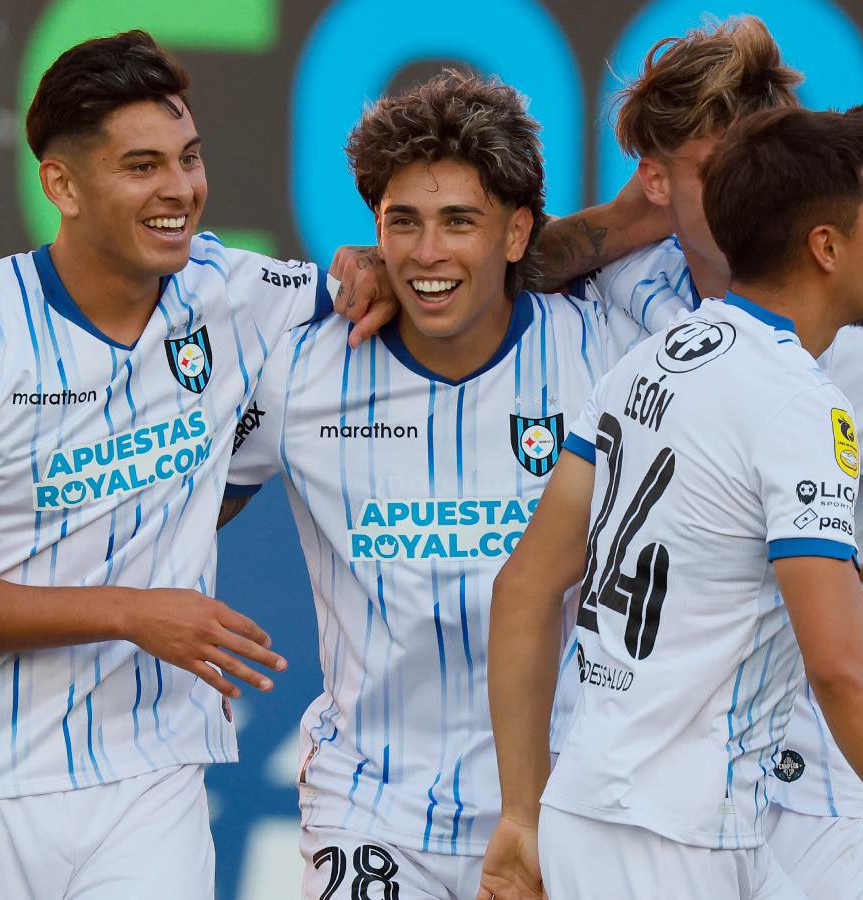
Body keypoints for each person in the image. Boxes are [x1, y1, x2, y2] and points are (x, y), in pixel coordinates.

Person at [0, 30, 339, 898]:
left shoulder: (238, 294)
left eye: (190, 159)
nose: (180, 191)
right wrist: (132, 611)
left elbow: (433, 275)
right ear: (62, 184)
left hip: (150, 772)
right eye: (142, 166)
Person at [543, 19, 863, 897]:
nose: (737, 193)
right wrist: (379, 260)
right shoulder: (627, 283)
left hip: (812, 766)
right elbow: (470, 269)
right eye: (708, 171)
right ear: (654, 182)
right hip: (650, 770)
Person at [221, 72, 609, 899]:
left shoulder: (603, 355)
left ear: (517, 235)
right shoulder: (300, 370)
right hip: (371, 808)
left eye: (458, 223)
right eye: (403, 223)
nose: (427, 254)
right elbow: (169, 514)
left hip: (563, 805)